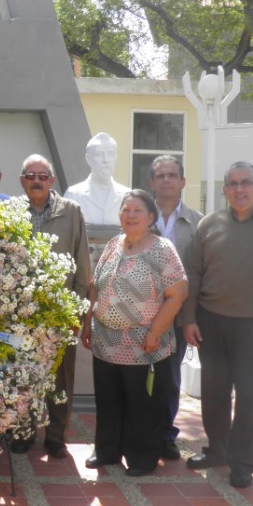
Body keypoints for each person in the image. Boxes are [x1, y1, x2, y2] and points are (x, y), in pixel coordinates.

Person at [180, 161, 253, 488]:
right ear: (224, 190)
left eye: (246, 182)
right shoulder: (208, 225)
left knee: (249, 397)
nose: (239, 189)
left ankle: (242, 462)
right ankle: (217, 450)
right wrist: (188, 318)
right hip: (211, 323)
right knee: (215, 395)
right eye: (232, 184)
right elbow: (193, 274)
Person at [81, 190, 188, 476]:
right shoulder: (114, 244)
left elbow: (177, 294)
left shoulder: (162, 249)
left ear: (151, 217)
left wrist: (155, 332)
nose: (130, 215)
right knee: (108, 399)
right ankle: (107, 450)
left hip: (144, 343)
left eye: (137, 211)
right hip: (106, 341)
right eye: (125, 210)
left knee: (142, 402)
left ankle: (142, 457)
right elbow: (96, 287)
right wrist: (87, 320)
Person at [13, 154, 92, 458]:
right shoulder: (10, 212)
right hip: (19, 313)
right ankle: (23, 431)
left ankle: (57, 435)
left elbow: (83, 265)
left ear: (52, 181)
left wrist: (78, 312)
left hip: (59, 313)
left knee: (60, 377)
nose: (36, 181)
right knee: (21, 375)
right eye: (30, 175)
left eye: (42, 176)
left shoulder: (71, 212)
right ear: (22, 180)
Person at [147, 155, 203, 460]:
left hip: (179, 315)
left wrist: (191, 317)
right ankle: (140, 431)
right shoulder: (139, 216)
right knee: (139, 376)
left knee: (168, 378)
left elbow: (200, 272)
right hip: (140, 312)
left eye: (172, 175)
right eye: (160, 175)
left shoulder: (198, 222)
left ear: (182, 182)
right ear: (152, 182)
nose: (166, 180)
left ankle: (166, 434)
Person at [65, 132, 130, 224]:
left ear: (116, 157)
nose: (106, 160)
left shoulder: (127, 195)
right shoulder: (73, 195)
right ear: (88, 159)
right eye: (99, 154)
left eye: (111, 154)